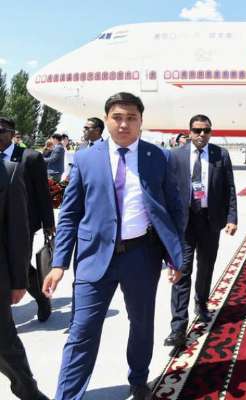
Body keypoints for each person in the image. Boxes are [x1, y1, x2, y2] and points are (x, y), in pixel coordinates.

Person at [42, 92, 185, 400]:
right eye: (117, 117)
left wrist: (175, 256)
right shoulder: (85, 158)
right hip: (94, 258)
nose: (124, 124)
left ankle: (138, 379)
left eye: (131, 118)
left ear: (141, 121)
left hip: (142, 256)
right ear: (106, 120)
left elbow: (174, 209)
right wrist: (59, 263)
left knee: (141, 324)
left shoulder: (159, 157)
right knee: (82, 331)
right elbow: (69, 215)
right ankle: (67, 395)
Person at [165, 114, 238, 349]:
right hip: (184, 223)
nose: (202, 134)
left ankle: (202, 303)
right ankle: (178, 327)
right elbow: (167, 189)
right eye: (197, 130)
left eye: (206, 130)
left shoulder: (220, 155)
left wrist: (232, 218)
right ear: (190, 132)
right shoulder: (175, 155)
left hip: (210, 221)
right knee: (182, 271)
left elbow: (229, 188)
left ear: (211, 132)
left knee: (206, 267)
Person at [0, 150, 50, 400]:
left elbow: (18, 231)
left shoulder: (10, 172)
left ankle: (29, 392)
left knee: (5, 344)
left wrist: (19, 280)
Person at [0, 117, 55, 323]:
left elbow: (42, 192)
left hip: (22, 224)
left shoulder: (30, 157)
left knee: (21, 265)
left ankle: (41, 298)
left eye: (1, 131)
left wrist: (48, 223)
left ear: (12, 133)